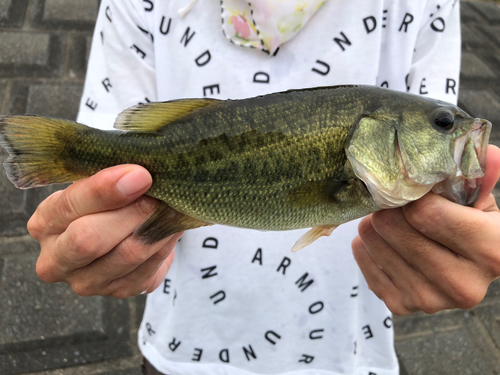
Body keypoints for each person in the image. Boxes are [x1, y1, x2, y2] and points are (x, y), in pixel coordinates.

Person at [28, 0, 500, 374]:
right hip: (182, 345)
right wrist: (92, 232)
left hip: (348, 352)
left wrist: (456, 229)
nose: (457, 128)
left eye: (442, 122)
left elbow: (443, 185)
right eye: (443, 122)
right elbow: (104, 179)